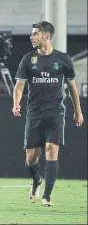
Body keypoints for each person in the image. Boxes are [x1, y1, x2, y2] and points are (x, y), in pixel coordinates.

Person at [13, 21, 84, 207]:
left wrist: (78, 110)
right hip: (34, 113)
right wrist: (16, 103)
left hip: (55, 113)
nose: (31, 36)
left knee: (52, 151)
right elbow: (19, 86)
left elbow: (72, 86)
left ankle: (47, 196)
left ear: (46, 36)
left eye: (35, 34)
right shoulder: (28, 59)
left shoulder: (63, 59)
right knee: (31, 158)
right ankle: (36, 179)